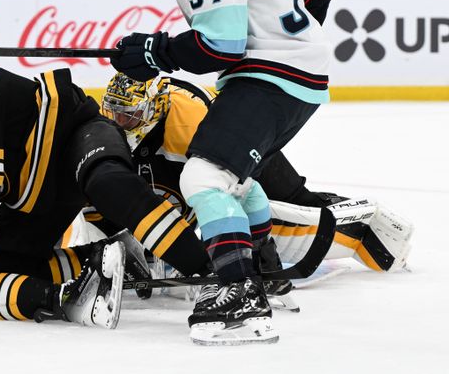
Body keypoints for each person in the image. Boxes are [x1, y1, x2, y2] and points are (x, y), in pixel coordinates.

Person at [112, 0, 332, 344]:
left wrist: (152, 50)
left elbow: (220, 46)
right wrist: (287, 34)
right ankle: (266, 277)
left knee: (204, 177)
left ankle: (239, 297)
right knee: (231, 177)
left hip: (270, 77)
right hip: (299, 72)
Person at [0, 26, 221, 326]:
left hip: (74, 132)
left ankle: (215, 270)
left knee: (107, 182)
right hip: (38, 185)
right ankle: (109, 261)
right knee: (12, 267)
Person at [91, 72, 413, 278]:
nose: (118, 122)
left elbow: (213, 189)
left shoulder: (191, 123)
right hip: (199, 151)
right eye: (113, 112)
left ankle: (365, 226)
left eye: (128, 116)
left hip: (239, 146)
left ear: (152, 110)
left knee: (293, 199)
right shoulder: (132, 125)